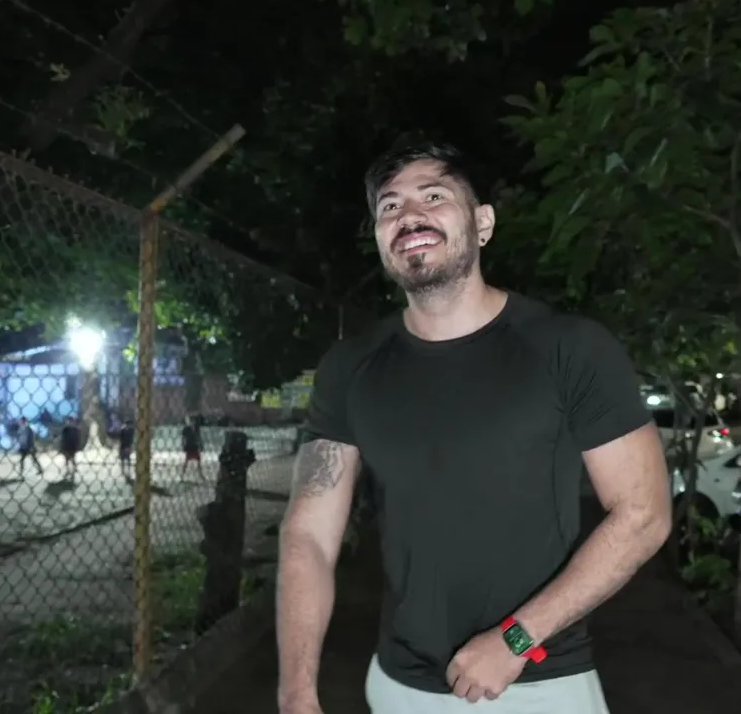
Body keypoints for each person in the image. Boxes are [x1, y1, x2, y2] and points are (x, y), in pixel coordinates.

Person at [275, 143, 671, 714]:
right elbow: (308, 536)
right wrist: (296, 694)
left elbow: (643, 514)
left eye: (434, 196)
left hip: (538, 685)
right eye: (390, 206)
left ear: (482, 223)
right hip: (399, 688)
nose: (410, 216)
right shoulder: (351, 368)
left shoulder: (569, 347)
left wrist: (516, 638)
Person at [180, 415, 204, 482]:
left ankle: (201, 475)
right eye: (191, 421)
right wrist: (183, 445)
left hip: (195, 446)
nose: (192, 423)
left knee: (198, 461)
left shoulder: (196, 428)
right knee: (186, 462)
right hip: (189, 446)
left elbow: (199, 437)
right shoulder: (186, 429)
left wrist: (201, 445)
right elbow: (183, 438)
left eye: (193, 421)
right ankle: (182, 475)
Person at [60, 416, 82, 481]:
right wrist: (62, 446)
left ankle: (73, 470)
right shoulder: (65, 429)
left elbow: (77, 439)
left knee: (72, 459)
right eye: (68, 421)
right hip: (66, 446)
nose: (68, 422)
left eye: (69, 421)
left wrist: (76, 446)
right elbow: (63, 439)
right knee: (67, 459)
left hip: (72, 446)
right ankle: (68, 470)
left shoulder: (75, 429)